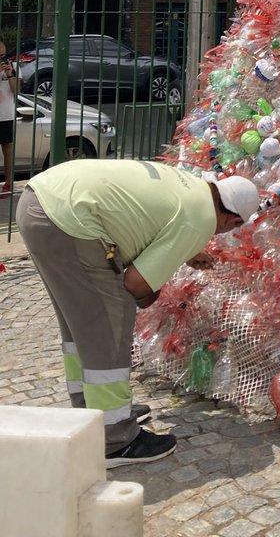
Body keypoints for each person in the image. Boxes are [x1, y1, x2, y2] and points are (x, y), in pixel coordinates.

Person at [16, 159, 259, 465]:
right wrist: (155, 288)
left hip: (40, 200)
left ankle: (92, 413)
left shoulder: (194, 188)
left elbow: (155, 219)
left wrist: (186, 251)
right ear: (234, 221)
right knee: (109, 321)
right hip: (70, 221)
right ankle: (116, 439)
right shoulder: (200, 221)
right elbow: (135, 284)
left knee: (79, 321)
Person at [0, 39, 18, 197]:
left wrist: (10, 74)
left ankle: (8, 183)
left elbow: (17, 91)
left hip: (6, 115)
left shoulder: (11, 67)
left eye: (4, 55)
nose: (2, 59)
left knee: (7, 150)